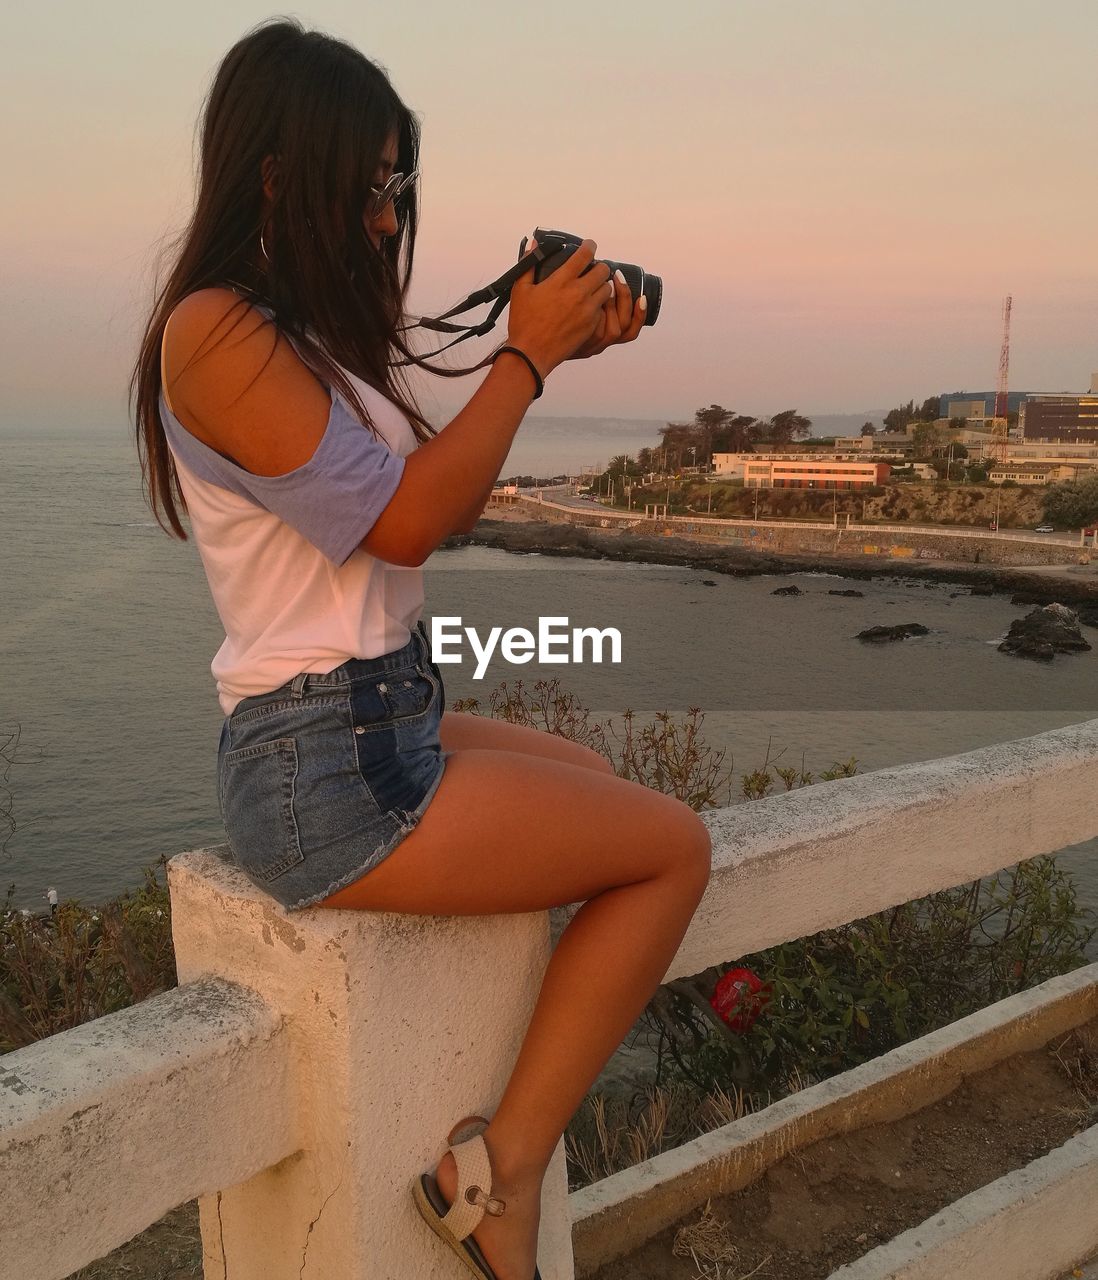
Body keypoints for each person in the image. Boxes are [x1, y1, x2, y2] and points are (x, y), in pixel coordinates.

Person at [132, 20, 711, 1280]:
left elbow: (425, 497)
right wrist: (524, 358)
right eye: (374, 182)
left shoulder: (302, 335)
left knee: (600, 785)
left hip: (375, 714)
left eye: (400, 186)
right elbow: (408, 520)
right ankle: (496, 1177)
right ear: (280, 172)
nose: (391, 218)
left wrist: (555, 346)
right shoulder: (215, 333)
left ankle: (496, 1155)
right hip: (320, 763)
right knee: (673, 851)